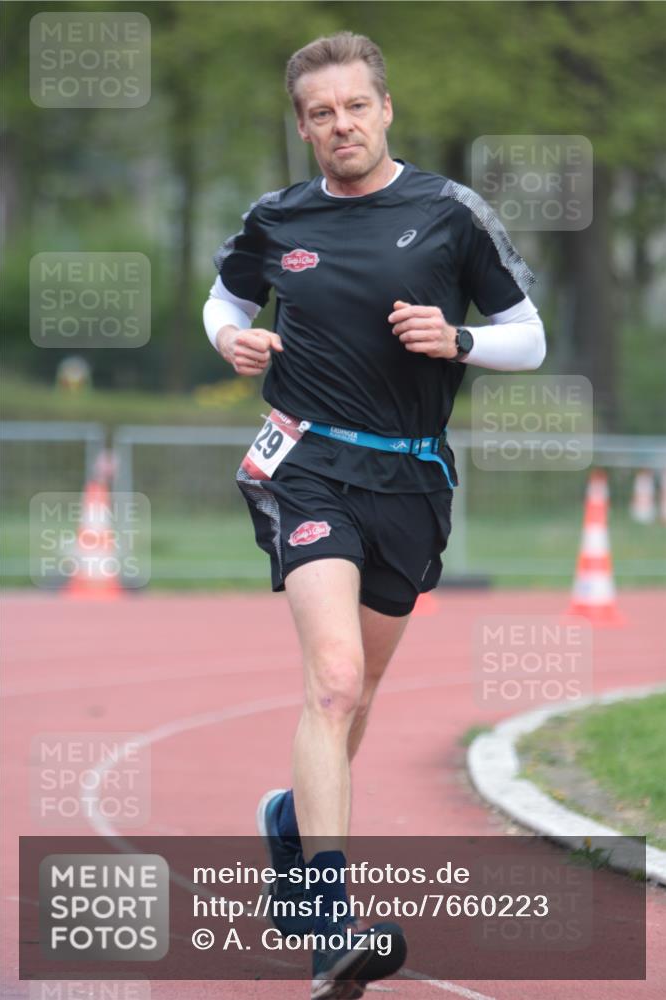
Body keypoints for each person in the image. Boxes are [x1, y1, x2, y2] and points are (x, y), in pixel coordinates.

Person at [203, 31, 546, 1000]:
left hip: (412, 481)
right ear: (303, 126)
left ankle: (289, 820)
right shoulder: (276, 217)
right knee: (334, 681)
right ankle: (330, 927)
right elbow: (222, 301)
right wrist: (233, 338)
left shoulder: (449, 212)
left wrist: (458, 339)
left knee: (355, 696)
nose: (340, 124)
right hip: (307, 464)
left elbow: (529, 336)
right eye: (321, 113)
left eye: (355, 105)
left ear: (385, 108)